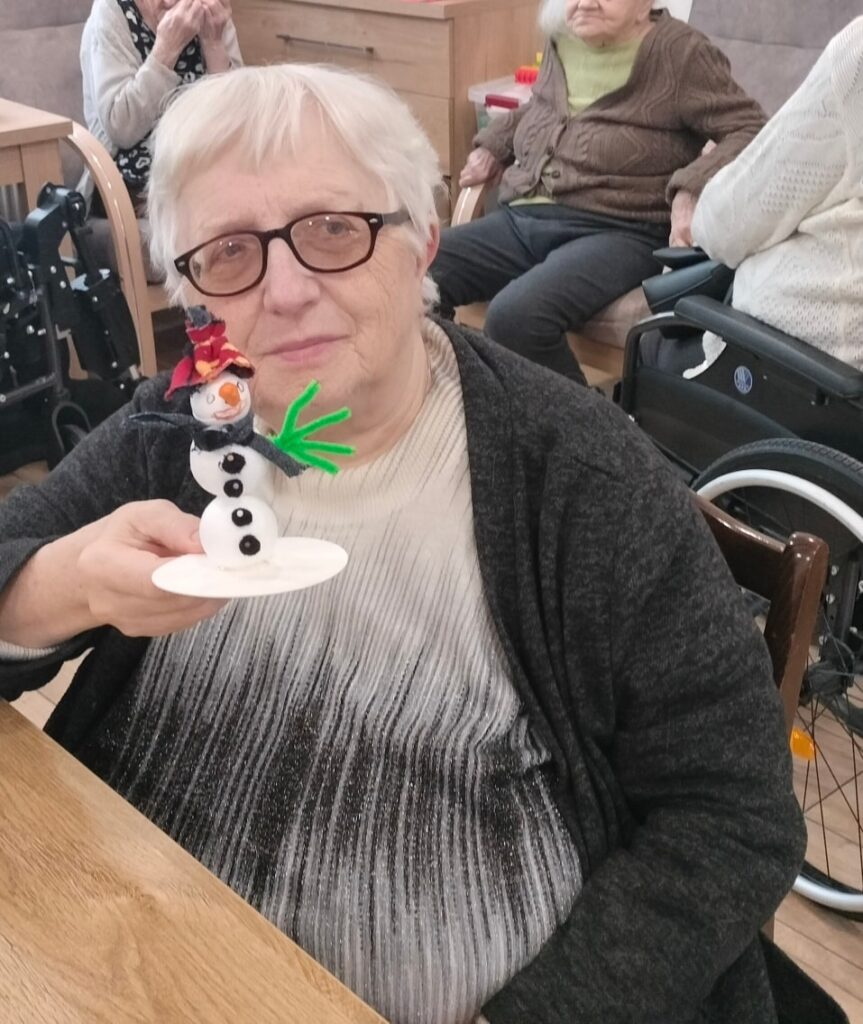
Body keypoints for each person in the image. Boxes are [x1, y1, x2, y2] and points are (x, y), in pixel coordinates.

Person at [0, 65, 843, 1024]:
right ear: (190, 295)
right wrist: (58, 584)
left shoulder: (579, 479)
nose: (286, 291)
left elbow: (731, 815)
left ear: (422, 243)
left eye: (334, 230)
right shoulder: (175, 433)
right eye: (228, 252)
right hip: (117, 955)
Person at [430, 0, 766, 385]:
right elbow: (543, 107)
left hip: (619, 231)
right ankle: (459, 398)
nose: (584, 2)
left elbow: (750, 128)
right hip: (524, 217)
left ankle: (586, 421)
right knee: (416, 270)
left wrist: (691, 187)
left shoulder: (680, 52)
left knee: (516, 317)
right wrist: (494, 144)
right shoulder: (562, 38)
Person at [682, 15, 863, 376]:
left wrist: (696, 189)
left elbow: (727, 223)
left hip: (811, 370)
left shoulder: (856, 59)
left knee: (655, 343)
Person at [80, 0, 243, 211]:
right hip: (130, 185)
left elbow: (238, 123)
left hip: (205, 166)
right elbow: (121, 128)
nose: (169, 2)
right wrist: (167, 50)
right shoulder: (112, 11)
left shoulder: (210, 11)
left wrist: (214, 44)